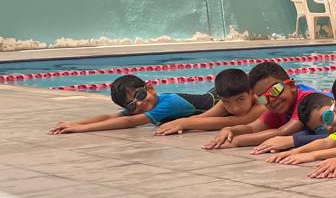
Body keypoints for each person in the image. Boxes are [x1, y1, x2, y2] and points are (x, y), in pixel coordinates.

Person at [204, 62, 316, 151]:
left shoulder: (307, 101)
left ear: (291, 86)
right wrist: (230, 130)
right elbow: (251, 128)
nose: (271, 99)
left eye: (275, 90)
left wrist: (237, 141)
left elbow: (282, 132)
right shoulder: (276, 107)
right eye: (262, 98)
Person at [49, 75, 214, 135]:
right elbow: (110, 116)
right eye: (131, 106)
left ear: (150, 88)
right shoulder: (142, 107)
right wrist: (76, 123)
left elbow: (129, 121)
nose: (140, 104)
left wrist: (82, 129)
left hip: (217, 100)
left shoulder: (170, 103)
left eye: (140, 95)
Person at [152, 68, 263, 136]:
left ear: (251, 92)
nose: (235, 108)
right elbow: (204, 116)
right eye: (227, 102)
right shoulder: (230, 98)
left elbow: (233, 121)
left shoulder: (263, 101)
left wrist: (185, 123)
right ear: (221, 98)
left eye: (240, 100)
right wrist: (179, 123)